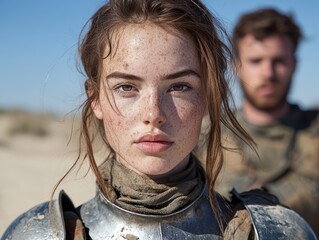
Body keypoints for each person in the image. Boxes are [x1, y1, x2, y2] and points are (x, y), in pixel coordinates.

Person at [2, 1, 316, 240]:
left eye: (180, 86)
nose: (154, 114)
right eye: (126, 87)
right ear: (94, 97)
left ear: (209, 95)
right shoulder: (37, 233)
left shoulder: (278, 232)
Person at [212, 8, 319, 236]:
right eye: (256, 61)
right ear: (236, 66)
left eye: (278, 61)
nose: (268, 73)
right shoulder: (205, 135)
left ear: (294, 65)